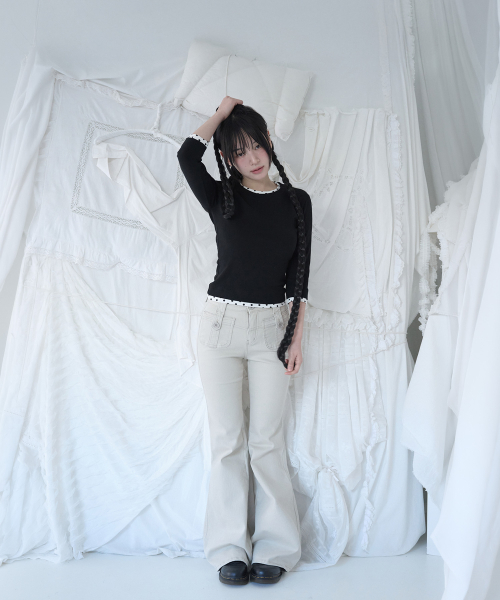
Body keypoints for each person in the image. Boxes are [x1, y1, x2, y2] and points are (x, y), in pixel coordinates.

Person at [176, 96, 312, 585]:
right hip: (220, 329)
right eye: (238, 152)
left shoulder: (297, 202)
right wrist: (223, 112)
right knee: (228, 441)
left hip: (273, 329)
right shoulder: (221, 197)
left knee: (267, 441)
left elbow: (299, 277)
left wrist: (295, 338)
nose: (252, 158)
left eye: (256, 145)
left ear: (269, 141)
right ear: (227, 158)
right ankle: (228, 548)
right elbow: (186, 156)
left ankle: (276, 547)